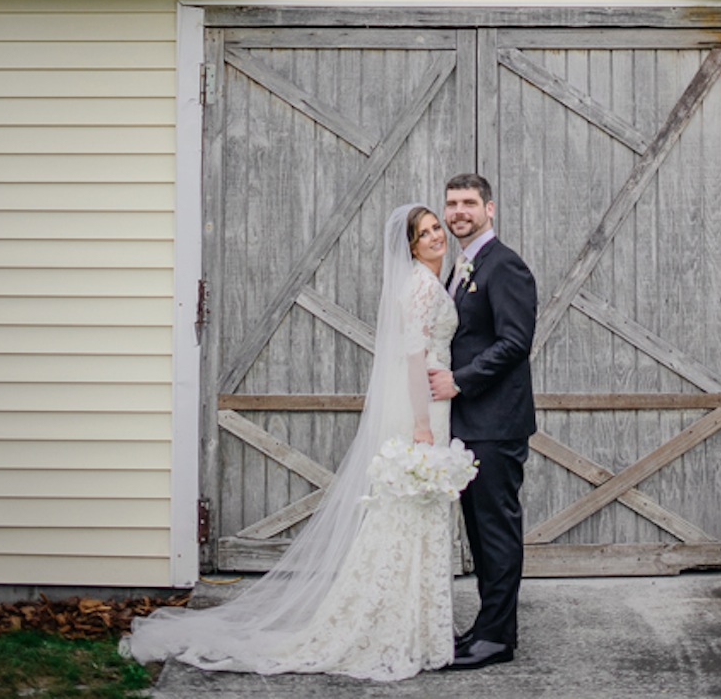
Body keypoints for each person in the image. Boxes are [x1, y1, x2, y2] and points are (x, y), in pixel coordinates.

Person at [122, 204, 468, 682]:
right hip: (423, 409)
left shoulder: (429, 280)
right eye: (425, 232)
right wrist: (423, 426)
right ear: (410, 246)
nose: (435, 237)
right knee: (409, 515)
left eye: (436, 229)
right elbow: (413, 357)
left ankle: (416, 623)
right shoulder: (422, 285)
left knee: (412, 513)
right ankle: (398, 626)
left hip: (430, 403)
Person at [429, 171, 537, 670]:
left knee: (495, 532)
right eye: (452, 204)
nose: (458, 212)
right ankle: (487, 627)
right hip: (470, 425)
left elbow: (515, 343)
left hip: (495, 424)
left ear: (489, 209)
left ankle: (498, 639)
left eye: (469, 203)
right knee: (479, 532)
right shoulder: (462, 265)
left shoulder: (504, 266)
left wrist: (459, 381)